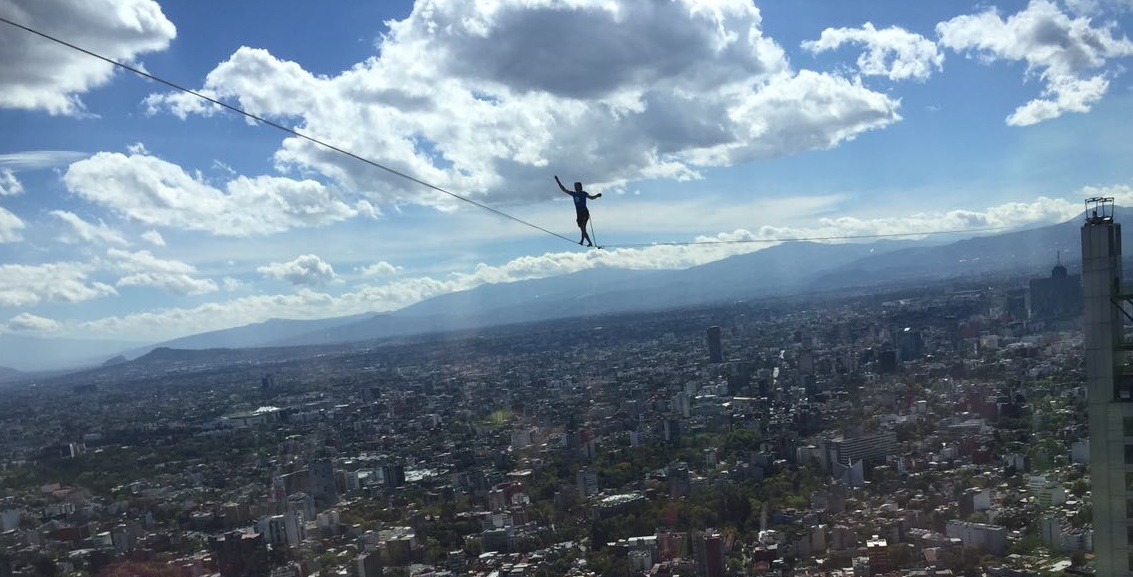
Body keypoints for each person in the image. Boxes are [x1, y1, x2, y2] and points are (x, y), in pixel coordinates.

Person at [555, 175, 602, 246]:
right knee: (582, 229)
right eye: (574, 186)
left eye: (576, 186)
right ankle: (583, 241)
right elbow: (564, 189)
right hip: (579, 213)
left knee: (583, 228)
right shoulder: (574, 194)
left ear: (579, 187)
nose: (575, 187)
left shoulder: (583, 193)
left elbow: (591, 198)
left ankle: (589, 242)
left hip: (584, 212)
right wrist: (558, 181)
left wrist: (597, 196)